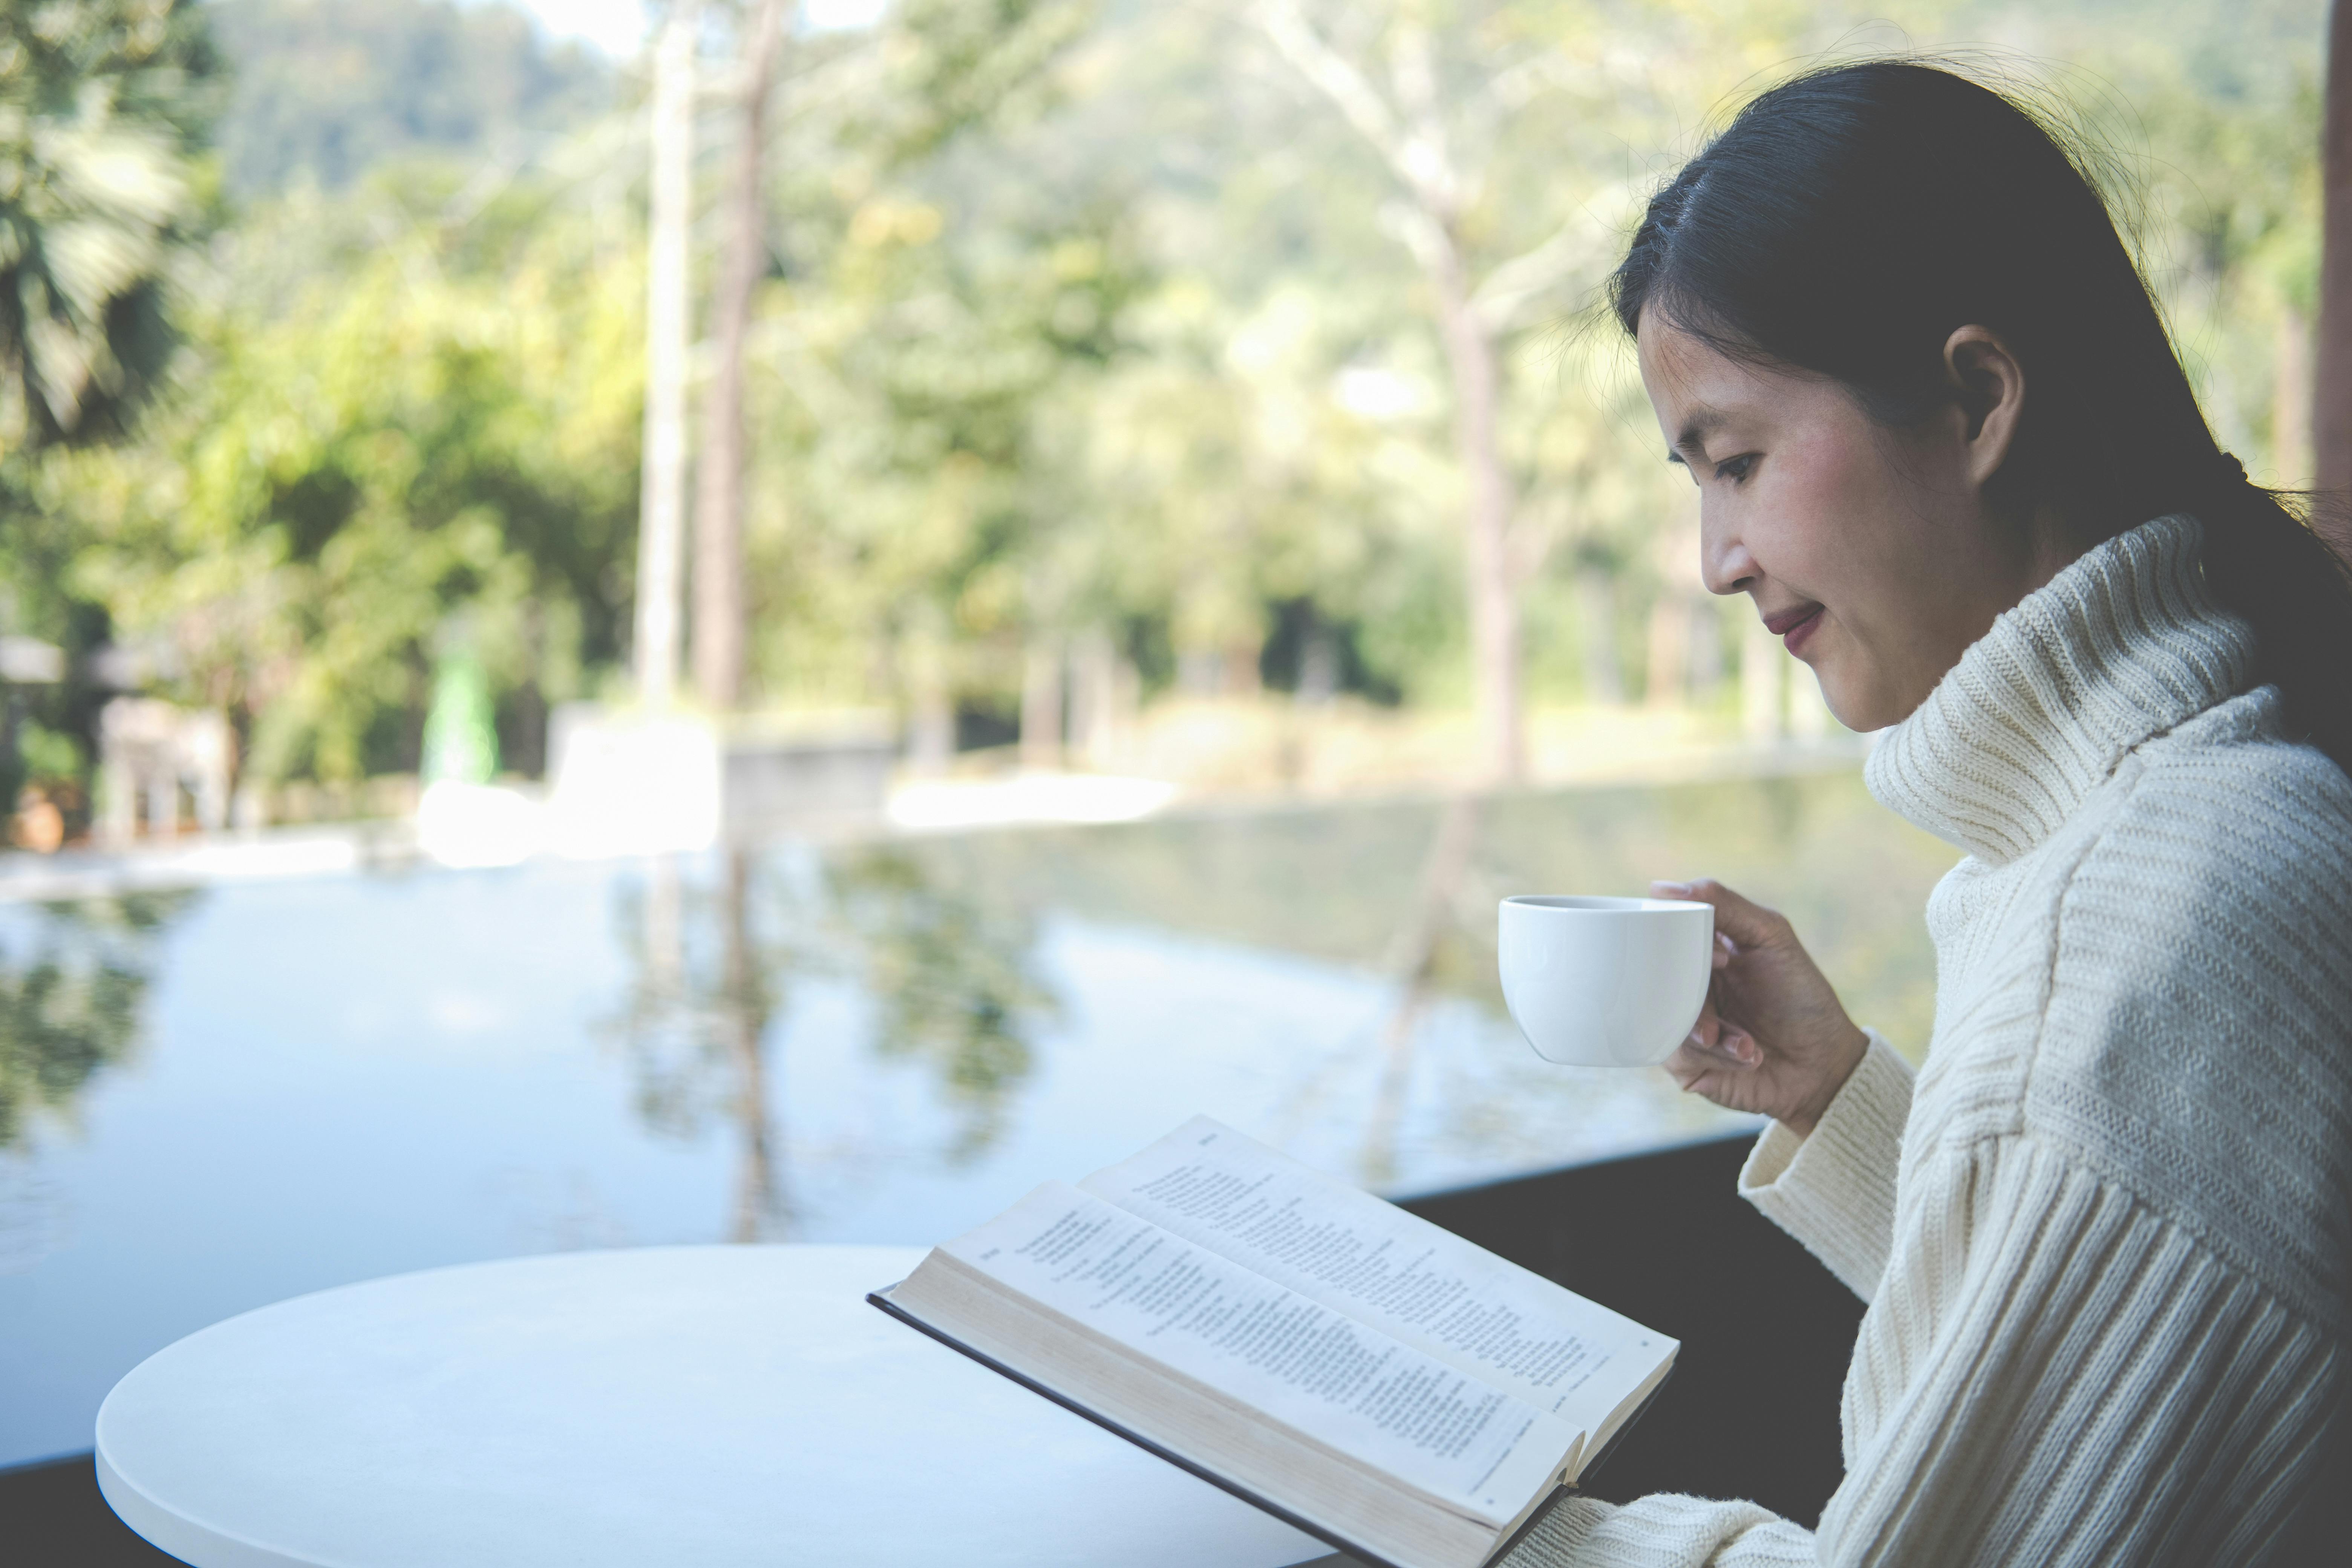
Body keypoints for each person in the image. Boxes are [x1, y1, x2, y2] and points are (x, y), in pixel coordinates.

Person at [1505, 60, 2352, 1565]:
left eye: (1740, 461)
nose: (1716, 555)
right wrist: (1840, 1098)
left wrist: (1494, 1530)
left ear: (1974, 401)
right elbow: (2144, 1368)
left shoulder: (2141, 912)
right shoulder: (2218, 800)